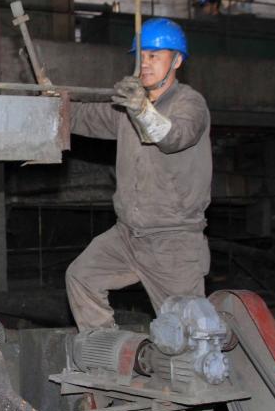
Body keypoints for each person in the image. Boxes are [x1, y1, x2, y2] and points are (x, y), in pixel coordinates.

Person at [65, 18, 211, 332]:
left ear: (177, 61)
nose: (145, 63)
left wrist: (141, 109)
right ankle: (105, 350)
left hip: (173, 243)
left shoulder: (190, 103)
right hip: (127, 236)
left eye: (154, 56)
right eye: (141, 56)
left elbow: (173, 137)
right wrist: (54, 103)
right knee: (82, 276)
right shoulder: (127, 110)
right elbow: (84, 116)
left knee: (190, 337)